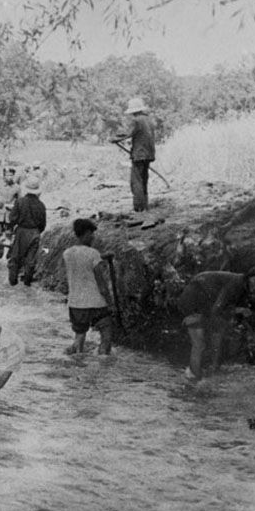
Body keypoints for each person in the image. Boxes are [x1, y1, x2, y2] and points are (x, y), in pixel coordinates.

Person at [177, 267, 255, 380]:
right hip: (194, 299)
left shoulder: (247, 289)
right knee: (199, 344)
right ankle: (193, 377)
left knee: (217, 337)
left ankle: (206, 372)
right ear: (249, 277)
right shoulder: (236, 284)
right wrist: (239, 310)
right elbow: (218, 309)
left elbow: (242, 315)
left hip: (207, 302)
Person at [62, 219, 116, 356]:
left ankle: (75, 362)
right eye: (91, 234)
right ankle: (104, 364)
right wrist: (110, 303)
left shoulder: (67, 253)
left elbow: (82, 261)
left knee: (79, 338)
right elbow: (101, 284)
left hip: (75, 304)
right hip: (95, 303)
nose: (93, 237)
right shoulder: (93, 253)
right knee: (106, 336)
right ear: (86, 233)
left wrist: (102, 257)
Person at [115, 97, 156, 212]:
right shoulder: (149, 120)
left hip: (139, 154)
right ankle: (145, 205)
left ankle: (139, 207)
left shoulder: (136, 121)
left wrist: (115, 139)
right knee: (144, 179)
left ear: (134, 111)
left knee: (136, 181)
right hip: (149, 154)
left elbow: (128, 133)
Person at [7, 176, 47, 287]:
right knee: (31, 259)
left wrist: (10, 229)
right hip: (35, 232)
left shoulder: (20, 202)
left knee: (15, 258)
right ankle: (27, 282)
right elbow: (43, 224)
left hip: (22, 232)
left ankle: (12, 282)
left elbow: (12, 218)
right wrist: (37, 231)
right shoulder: (41, 205)